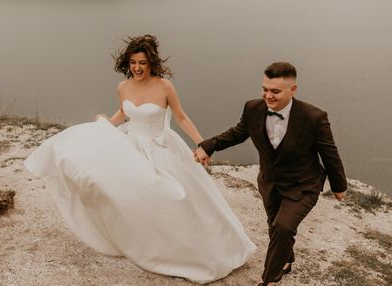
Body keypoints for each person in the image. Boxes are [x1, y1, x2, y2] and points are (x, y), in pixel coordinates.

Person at [25, 34, 255, 283]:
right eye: (133, 62)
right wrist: (104, 127)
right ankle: (142, 241)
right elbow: (124, 113)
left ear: (151, 63)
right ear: (127, 63)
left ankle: (185, 249)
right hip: (130, 147)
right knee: (125, 195)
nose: (137, 68)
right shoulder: (123, 87)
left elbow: (181, 117)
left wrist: (203, 145)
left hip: (161, 148)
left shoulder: (165, 87)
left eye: (142, 63)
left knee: (174, 197)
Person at [194, 61, 347, 286]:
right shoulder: (252, 108)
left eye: (275, 91)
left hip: (304, 184)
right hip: (270, 182)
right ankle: (286, 260)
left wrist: (338, 185)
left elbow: (329, 153)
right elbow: (237, 133)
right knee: (275, 226)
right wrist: (208, 145)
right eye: (264, 89)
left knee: (283, 227)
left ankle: (269, 279)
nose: (268, 95)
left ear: (292, 89)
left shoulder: (314, 117)